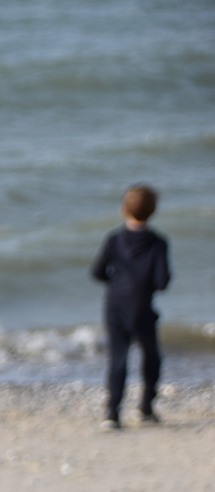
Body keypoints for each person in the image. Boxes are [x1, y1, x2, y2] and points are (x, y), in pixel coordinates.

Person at [92, 184, 172, 429]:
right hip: (142, 307)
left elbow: (97, 271)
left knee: (118, 357)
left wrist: (116, 283)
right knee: (151, 356)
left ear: (123, 210)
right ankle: (146, 408)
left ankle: (112, 414)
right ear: (153, 211)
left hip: (115, 305)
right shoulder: (158, 243)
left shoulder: (114, 239)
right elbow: (162, 281)